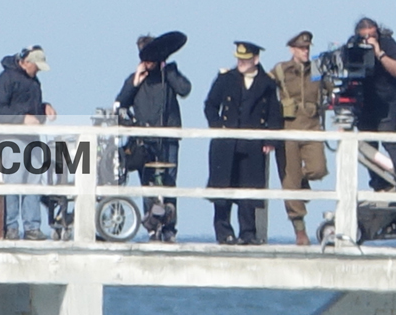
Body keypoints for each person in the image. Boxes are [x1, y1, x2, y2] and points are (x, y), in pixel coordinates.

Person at [203, 41, 282, 245]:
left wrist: (269, 139)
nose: (241, 62)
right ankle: (224, 233)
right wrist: (218, 126)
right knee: (222, 190)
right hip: (226, 143)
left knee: (249, 190)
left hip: (252, 144)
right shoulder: (225, 79)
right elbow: (210, 105)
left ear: (256, 59)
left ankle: (248, 233)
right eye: (239, 58)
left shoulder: (268, 83)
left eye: (245, 59)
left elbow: (274, 113)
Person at [117, 33, 192, 242]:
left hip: (168, 139)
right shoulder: (136, 79)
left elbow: (185, 89)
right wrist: (134, 81)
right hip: (143, 141)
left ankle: (169, 227)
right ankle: (152, 227)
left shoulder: (169, 73)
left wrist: (167, 72)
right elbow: (120, 103)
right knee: (148, 184)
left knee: (168, 182)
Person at [269, 31, 327, 246]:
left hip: (312, 127)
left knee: (318, 169)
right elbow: (264, 88)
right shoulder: (280, 70)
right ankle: (299, 229)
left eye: (308, 48)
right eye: (302, 48)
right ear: (292, 49)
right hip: (288, 130)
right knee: (289, 181)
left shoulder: (318, 70)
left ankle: (302, 183)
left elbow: (332, 93)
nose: (305, 51)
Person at [0, 46, 55, 240]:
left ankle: (32, 227)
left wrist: (45, 108)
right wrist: (21, 119)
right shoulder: (5, 78)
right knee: (14, 180)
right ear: (26, 62)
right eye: (36, 66)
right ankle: (11, 227)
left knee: (34, 180)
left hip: (31, 137)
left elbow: (32, 107)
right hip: (11, 137)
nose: (38, 70)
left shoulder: (34, 81)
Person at [351, 18, 396, 191]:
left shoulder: (388, 43)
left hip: (389, 98)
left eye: (372, 35)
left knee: (388, 137)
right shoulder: (354, 45)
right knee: (368, 141)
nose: (369, 39)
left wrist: (379, 52)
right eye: (365, 36)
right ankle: (378, 181)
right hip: (366, 98)